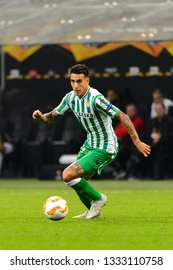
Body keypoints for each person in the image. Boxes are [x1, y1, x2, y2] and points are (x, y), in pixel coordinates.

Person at [32, 64, 151, 219]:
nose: (76, 85)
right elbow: (52, 116)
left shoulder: (96, 99)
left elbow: (123, 116)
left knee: (67, 175)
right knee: (77, 182)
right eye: (73, 81)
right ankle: (93, 212)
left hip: (105, 146)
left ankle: (99, 199)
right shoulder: (70, 98)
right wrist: (41, 118)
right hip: (90, 144)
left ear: (87, 80)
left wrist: (137, 142)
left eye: (79, 81)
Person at [113, 103, 145, 179]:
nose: (129, 112)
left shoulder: (138, 121)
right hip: (121, 143)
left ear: (135, 111)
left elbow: (126, 132)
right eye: (128, 110)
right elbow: (115, 132)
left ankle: (130, 173)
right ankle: (121, 170)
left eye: (131, 110)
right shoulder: (124, 120)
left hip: (132, 145)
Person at [144, 102, 173, 179]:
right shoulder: (153, 122)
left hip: (166, 145)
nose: (158, 111)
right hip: (152, 145)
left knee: (160, 150)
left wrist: (159, 140)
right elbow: (147, 133)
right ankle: (143, 174)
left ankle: (159, 175)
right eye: (157, 109)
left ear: (164, 109)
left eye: (160, 109)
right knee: (145, 149)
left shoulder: (170, 121)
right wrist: (152, 140)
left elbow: (170, 135)